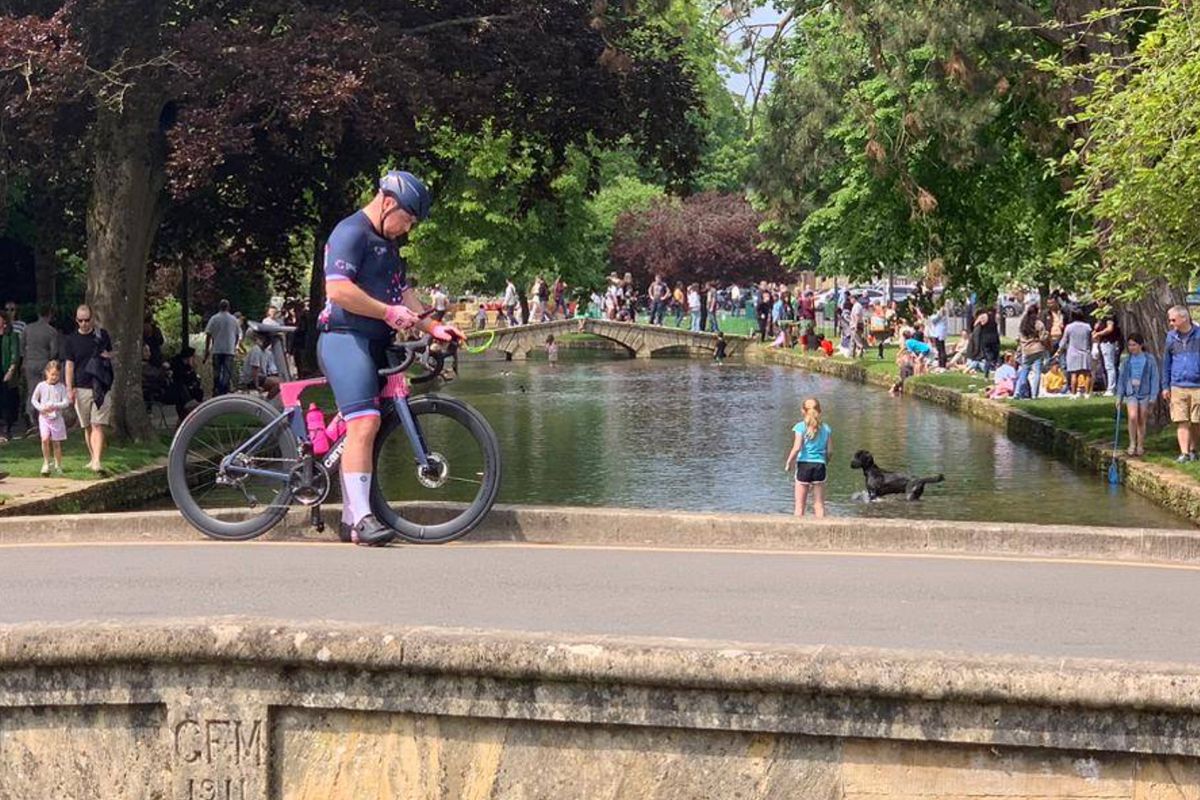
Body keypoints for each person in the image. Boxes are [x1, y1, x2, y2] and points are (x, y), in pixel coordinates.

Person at [317, 169, 463, 546]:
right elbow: (338, 290)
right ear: (388, 203)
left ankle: (354, 509)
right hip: (344, 338)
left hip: (374, 341)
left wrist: (434, 328)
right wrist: (385, 313)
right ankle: (360, 520)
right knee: (363, 423)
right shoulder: (350, 232)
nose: (408, 228)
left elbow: (403, 293)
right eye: (408, 219)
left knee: (367, 423)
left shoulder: (389, 245)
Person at [63, 304, 113, 474]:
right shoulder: (70, 340)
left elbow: (109, 355)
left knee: (97, 424)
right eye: (80, 320)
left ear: (92, 318)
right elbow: (69, 366)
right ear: (76, 320)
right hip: (80, 387)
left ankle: (97, 461)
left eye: (87, 320)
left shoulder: (102, 335)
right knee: (87, 426)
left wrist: (106, 357)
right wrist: (69, 388)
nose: (84, 323)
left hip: (100, 386)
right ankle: (92, 458)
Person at [1162, 304, 1200, 463]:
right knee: (1181, 420)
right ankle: (1184, 453)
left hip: (1197, 385)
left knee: (1197, 421)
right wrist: (1165, 386)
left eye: (1173, 320)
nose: (1171, 323)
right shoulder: (1171, 337)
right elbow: (1166, 362)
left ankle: (1193, 450)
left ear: (1184, 318)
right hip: (1178, 385)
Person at [784, 397, 831, 518]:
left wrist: (789, 462)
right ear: (820, 410)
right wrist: (826, 461)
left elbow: (797, 447)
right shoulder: (826, 428)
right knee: (819, 504)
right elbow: (830, 451)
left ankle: (797, 532)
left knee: (799, 505)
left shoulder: (800, 427)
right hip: (820, 465)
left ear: (802, 411)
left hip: (804, 465)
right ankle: (822, 531)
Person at [1116, 333, 1159, 457]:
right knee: (1133, 416)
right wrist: (1119, 396)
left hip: (1144, 392)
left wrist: (1153, 396)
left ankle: (1140, 444)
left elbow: (1154, 378)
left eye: (1134, 345)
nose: (1131, 348)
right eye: (1129, 345)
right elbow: (1122, 379)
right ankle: (1132, 443)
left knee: (1142, 419)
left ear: (1140, 345)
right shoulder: (1126, 360)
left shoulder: (1149, 359)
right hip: (1131, 392)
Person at [21, 306, 59, 432]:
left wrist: (26, 359)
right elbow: (54, 351)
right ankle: (42, 418)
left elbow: (22, 346)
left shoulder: (28, 328)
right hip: (44, 363)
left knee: (32, 390)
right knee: (45, 391)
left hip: (30, 363)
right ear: (49, 314)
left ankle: (30, 415)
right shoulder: (51, 331)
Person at [31, 359, 69, 475]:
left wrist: (55, 406)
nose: (54, 377)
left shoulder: (61, 387)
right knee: (45, 439)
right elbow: (34, 399)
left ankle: (58, 464)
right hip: (44, 417)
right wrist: (41, 408)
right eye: (52, 374)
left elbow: (66, 402)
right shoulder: (41, 386)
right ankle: (46, 462)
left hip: (56, 418)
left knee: (56, 442)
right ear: (47, 373)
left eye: (57, 375)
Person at [204, 300, 241, 396]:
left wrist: (207, 350)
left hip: (217, 349)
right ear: (228, 307)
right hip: (229, 350)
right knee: (227, 372)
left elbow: (208, 334)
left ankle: (216, 389)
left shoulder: (214, 318)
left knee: (217, 371)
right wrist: (234, 346)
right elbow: (237, 335)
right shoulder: (233, 320)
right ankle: (223, 390)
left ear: (219, 307)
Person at [1015, 303, 1048, 399]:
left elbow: (1019, 337)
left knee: (1024, 371)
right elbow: (1042, 338)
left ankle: (1019, 392)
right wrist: (1046, 335)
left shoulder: (1023, 324)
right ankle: (1034, 394)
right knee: (1037, 372)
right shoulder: (1038, 323)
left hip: (1026, 350)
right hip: (1037, 349)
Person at [1057, 310, 1094, 396]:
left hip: (1073, 353)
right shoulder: (1087, 327)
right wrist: (1090, 349)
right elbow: (1090, 340)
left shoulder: (1069, 327)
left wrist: (1059, 350)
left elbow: (1064, 340)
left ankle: (1073, 394)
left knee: (1074, 374)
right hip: (1085, 351)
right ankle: (1087, 393)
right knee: (1087, 374)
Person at [168, 346, 204, 421]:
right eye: (193, 357)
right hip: (176, 391)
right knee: (181, 389)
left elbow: (193, 379)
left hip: (187, 390)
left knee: (198, 391)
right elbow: (179, 379)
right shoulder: (176, 366)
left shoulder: (189, 367)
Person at [240, 333, 282, 398]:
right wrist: (257, 386)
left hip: (261, 377)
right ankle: (268, 400)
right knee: (279, 384)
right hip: (251, 378)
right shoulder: (256, 350)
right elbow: (255, 369)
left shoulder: (267, 352)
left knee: (282, 381)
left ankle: (269, 398)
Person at [0, 314, 20, 441]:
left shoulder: (11, 336)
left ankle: (6, 427)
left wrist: (11, 370)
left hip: (5, 372)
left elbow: (15, 354)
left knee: (6, 399)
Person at [1092, 311, 1121, 396]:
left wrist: (1098, 333)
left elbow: (1110, 328)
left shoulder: (1109, 312)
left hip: (1108, 342)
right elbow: (1097, 327)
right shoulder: (1100, 313)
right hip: (1101, 342)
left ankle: (1111, 388)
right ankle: (1108, 386)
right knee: (1104, 366)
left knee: (1110, 366)